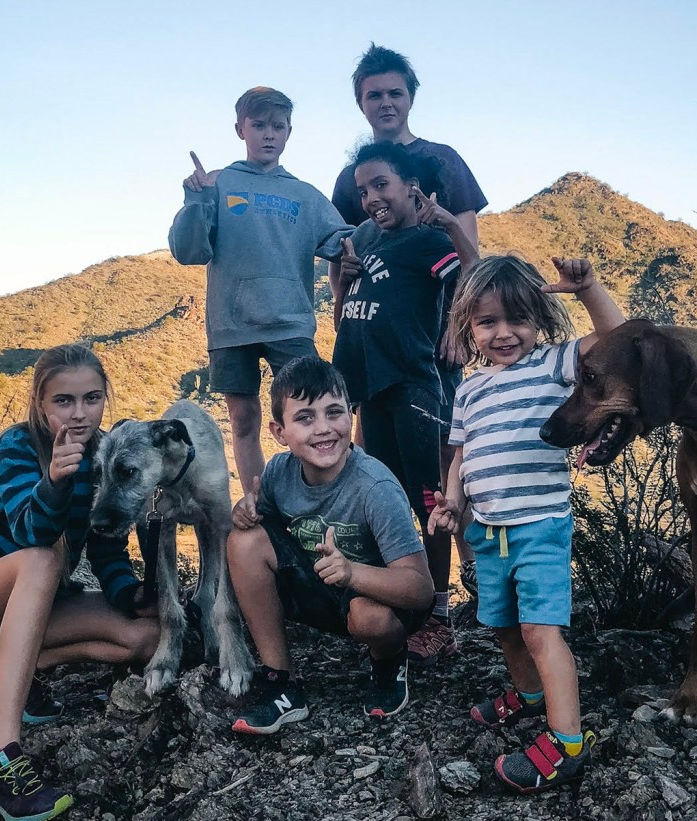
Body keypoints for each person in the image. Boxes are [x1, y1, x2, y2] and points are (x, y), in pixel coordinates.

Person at [428, 255, 625, 796]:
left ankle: (566, 742)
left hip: (540, 525)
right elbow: (461, 454)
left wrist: (589, 290)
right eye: (487, 322)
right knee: (505, 626)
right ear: (468, 325)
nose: (504, 333)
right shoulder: (468, 390)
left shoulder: (553, 364)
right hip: (487, 531)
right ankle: (529, 696)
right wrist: (451, 501)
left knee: (541, 629)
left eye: (517, 319)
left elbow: (618, 340)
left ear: (539, 318)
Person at [0, 343, 159, 821]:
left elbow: (106, 547)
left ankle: (20, 659)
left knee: (147, 637)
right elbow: (28, 533)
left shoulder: (104, 453)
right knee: (42, 560)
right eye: (64, 401)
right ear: (41, 402)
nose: (79, 413)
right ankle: (0, 759)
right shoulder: (18, 445)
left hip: (44, 602)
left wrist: (129, 594)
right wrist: (56, 482)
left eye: (92, 398)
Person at [330, 44, 488, 611]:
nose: (386, 102)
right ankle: (410, 590)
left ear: (411, 97)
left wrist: (459, 323)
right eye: (374, 94)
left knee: (439, 473)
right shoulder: (356, 180)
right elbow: (349, 260)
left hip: (422, 354)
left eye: (395, 92)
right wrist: (338, 275)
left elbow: (469, 258)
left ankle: (452, 591)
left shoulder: (441, 161)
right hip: (370, 371)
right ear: (360, 103)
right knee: (391, 482)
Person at [226, 356, 434, 733]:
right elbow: (263, 536)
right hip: (321, 588)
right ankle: (280, 683)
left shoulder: (375, 488)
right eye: (305, 418)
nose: (323, 429)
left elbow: (421, 590)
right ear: (279, 432)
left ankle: (388, 661)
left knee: (369, 617)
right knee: (243, 541)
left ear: (350, 417)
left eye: (334, 412)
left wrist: (352, 572)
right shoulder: (277, 472)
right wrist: (245, 512)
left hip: (379, 598)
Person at [168, 86, 352, 494]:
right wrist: (195, 200)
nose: (268, 134)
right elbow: (188, 251)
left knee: (314, 408)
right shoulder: (219, 182)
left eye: (278, 126)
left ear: (289, 132)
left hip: (291, 322)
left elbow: (345, 242)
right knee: (244, 419)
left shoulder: (305, 195)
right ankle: (257, 503)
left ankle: (325, 495)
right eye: (259, 125)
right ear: (240, 129)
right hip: (232, 324)